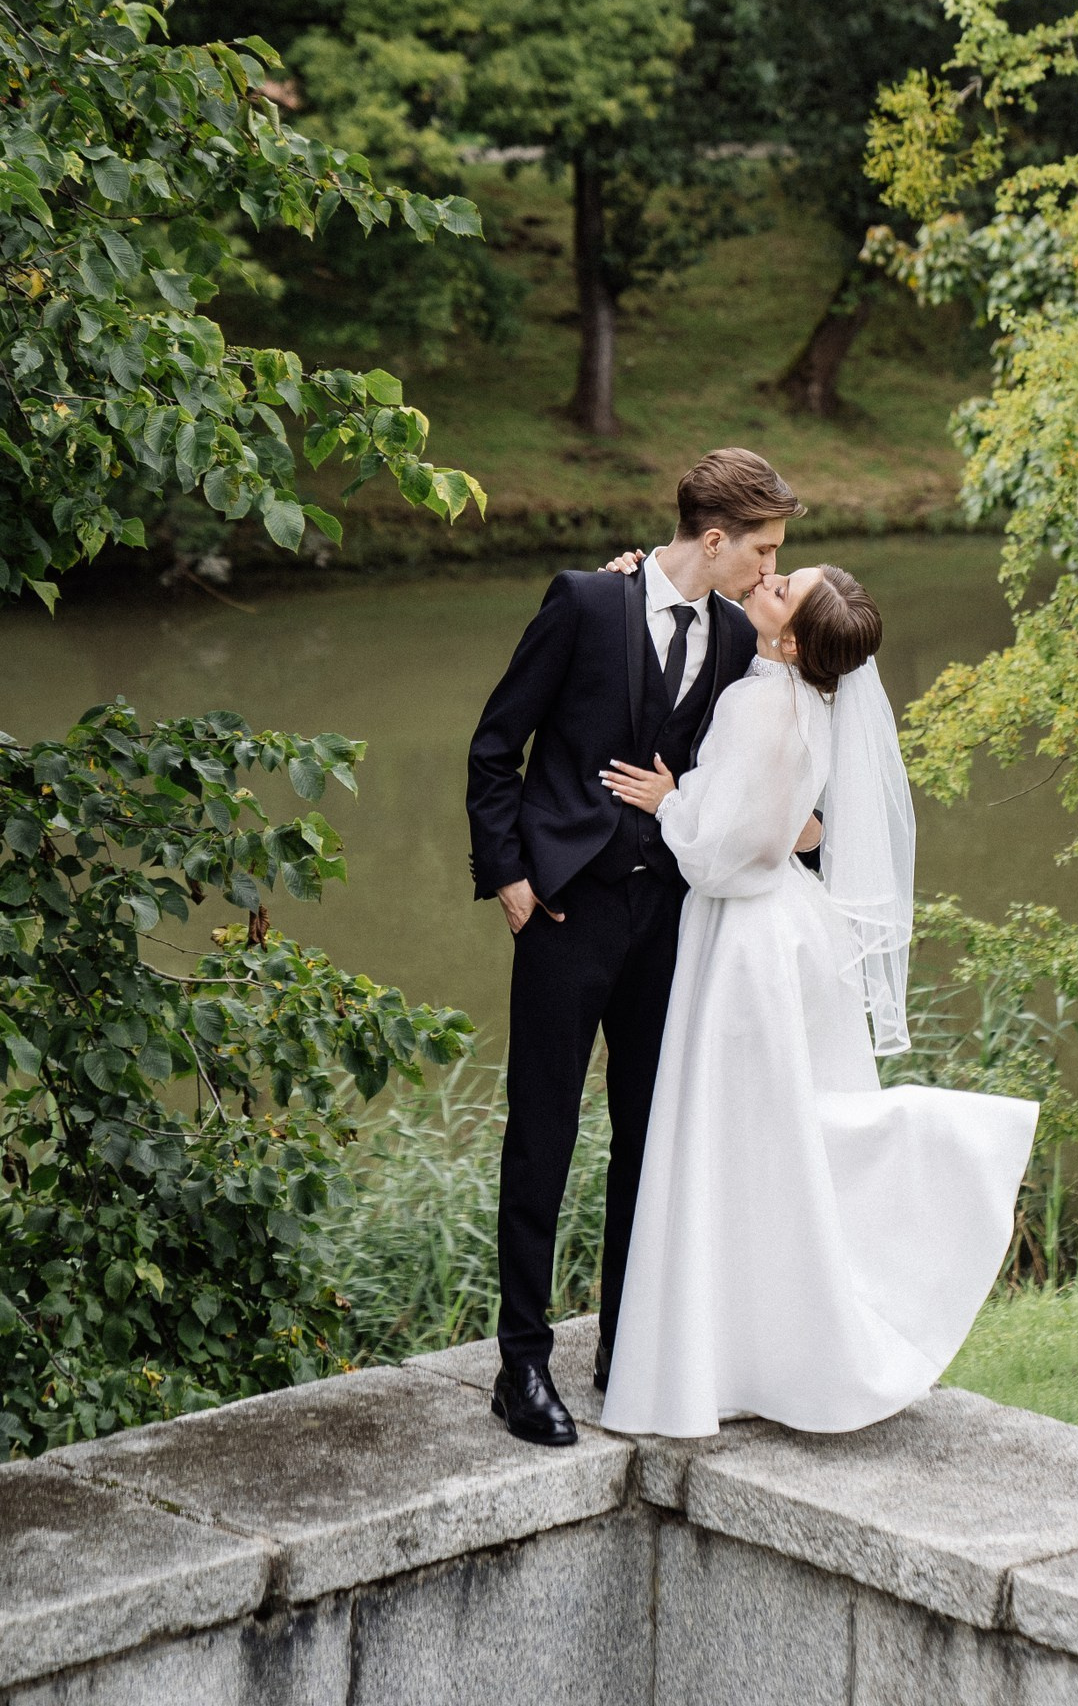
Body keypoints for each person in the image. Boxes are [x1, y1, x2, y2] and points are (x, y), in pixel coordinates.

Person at [597, 562, 1038, 1438]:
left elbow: (726, 857)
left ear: (792, 640)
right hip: (798, 931)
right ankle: (762, 1342)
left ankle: (728, 1345)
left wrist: (672, 802)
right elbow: (788, 823)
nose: (763, 579)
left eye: (778, 589)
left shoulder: (759, 704)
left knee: (743, 1136)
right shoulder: (808, 698)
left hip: (748, 940)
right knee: (779, 1138)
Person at [465, 446, 805, 1446]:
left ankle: (630, 1345)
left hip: (672, 924)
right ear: (716, 538)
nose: (771, 566)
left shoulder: (740, 635)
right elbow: (496, 745)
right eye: (763, 549)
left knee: (651, 1141)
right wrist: (510, 877)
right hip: (565, 913)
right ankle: (522, 1366)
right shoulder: (584, 601)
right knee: (542, 1136)